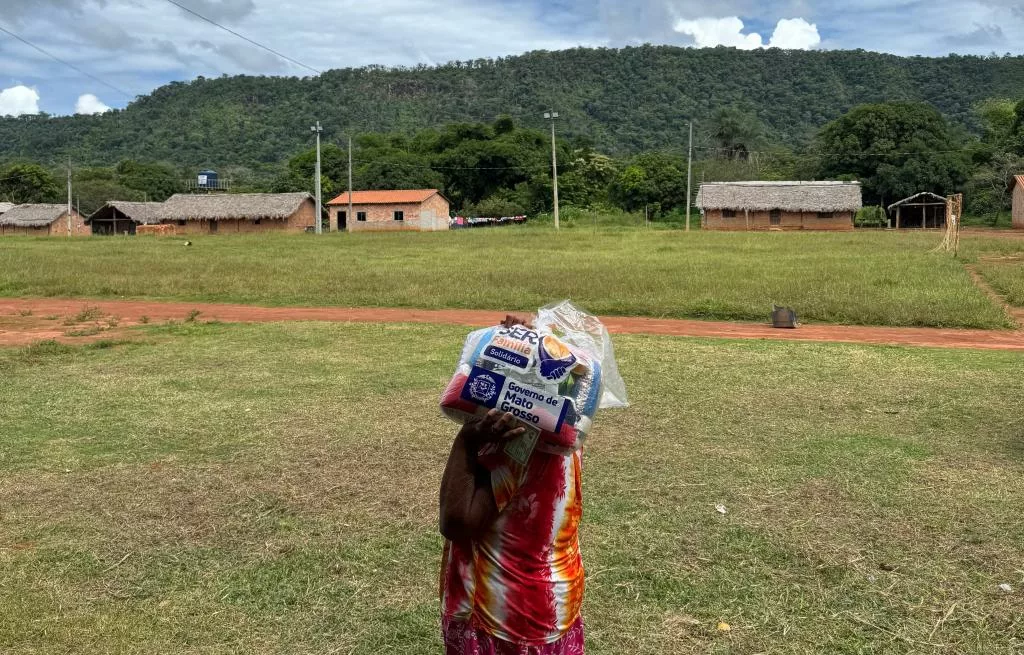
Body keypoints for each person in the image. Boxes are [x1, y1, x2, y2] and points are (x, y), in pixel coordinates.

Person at [438, 315, 586, 655]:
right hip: (552, 602)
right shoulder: (564, 430)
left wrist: (467, 440)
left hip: (503, 616)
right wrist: (530, 344)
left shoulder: (516, 441)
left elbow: (457, 522)